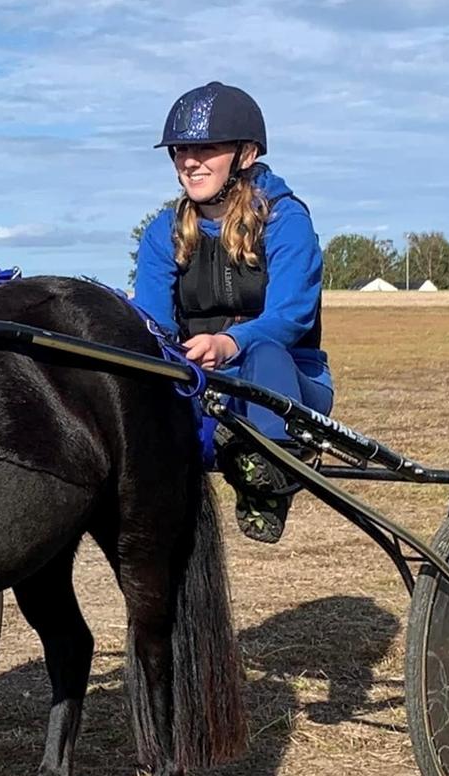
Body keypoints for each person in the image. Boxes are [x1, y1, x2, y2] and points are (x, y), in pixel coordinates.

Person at [133, 81, 332, 542]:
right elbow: (153, 323)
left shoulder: (287, 221)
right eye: (181, 149)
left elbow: (291, 317)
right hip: (203, 385)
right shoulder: (163, 232)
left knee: (263, 351)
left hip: (290, 383)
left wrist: (227, 344)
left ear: (245, 154)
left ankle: (268, 479)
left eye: (207, 149)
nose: (190, 161)